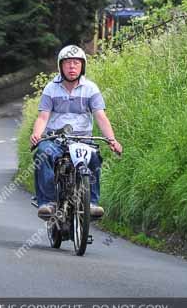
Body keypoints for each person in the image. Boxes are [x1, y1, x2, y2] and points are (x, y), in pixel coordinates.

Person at [30, 45, 122, 219]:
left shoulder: (91, 89)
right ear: (60, 66)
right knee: (42, 153)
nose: (72, 67)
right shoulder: (50, 88)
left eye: (76, 63)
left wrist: (112, 140)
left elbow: (101, 117)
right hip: (55, 140)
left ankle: (92, 202)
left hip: (82, 140)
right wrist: (36, 134)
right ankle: (47, 202)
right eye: (67, 63)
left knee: (94, 157)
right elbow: (43, 117)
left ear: (82, 66)